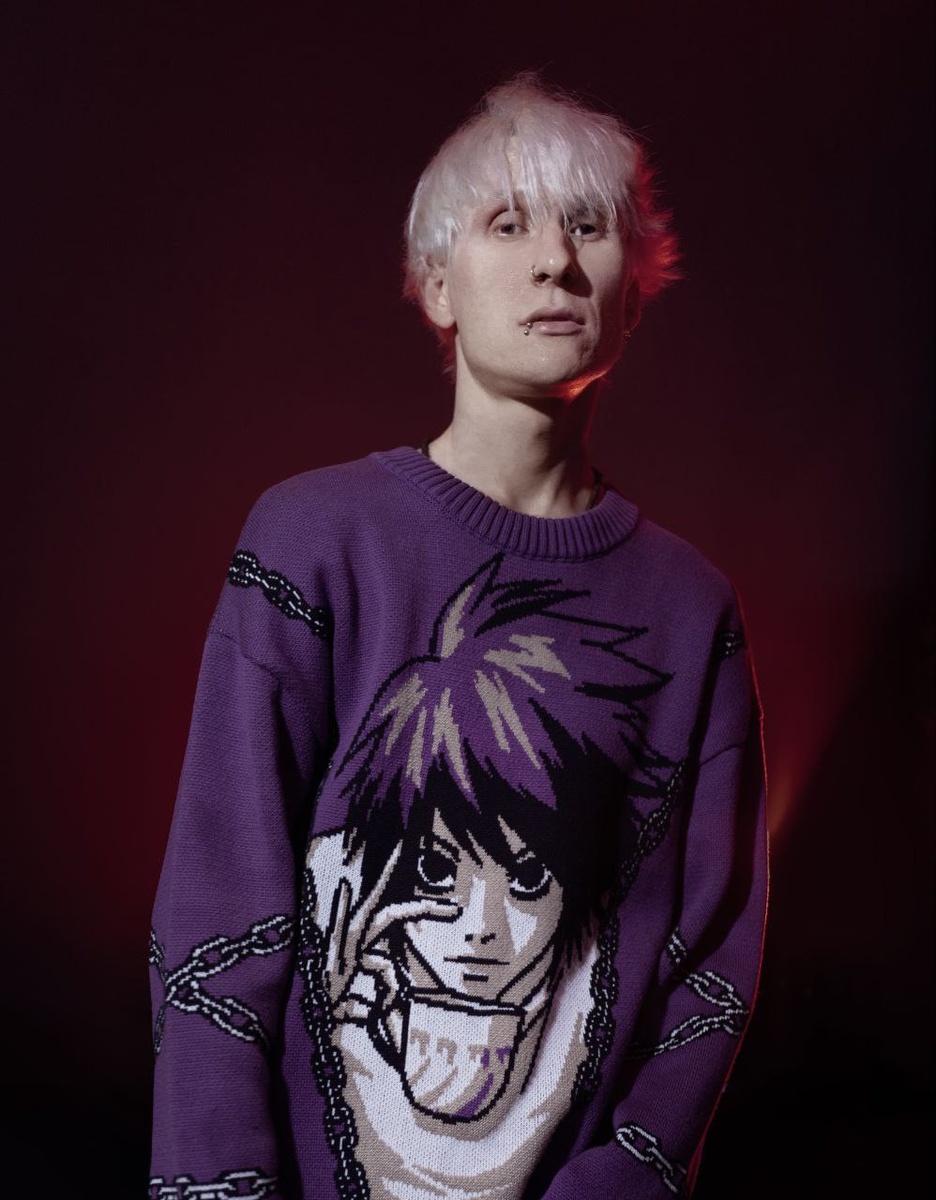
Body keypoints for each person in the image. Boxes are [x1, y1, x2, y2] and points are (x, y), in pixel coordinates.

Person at [149, 75, 768, 1200]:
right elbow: (220, 904)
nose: (555, 261)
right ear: (437, 284)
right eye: (508, 223)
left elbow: (710, 961)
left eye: (590, 227)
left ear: (634, 294)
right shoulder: (312, 542)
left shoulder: (692, 611)